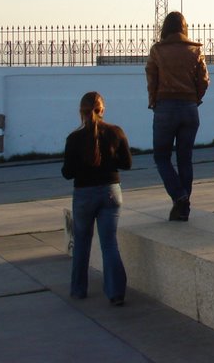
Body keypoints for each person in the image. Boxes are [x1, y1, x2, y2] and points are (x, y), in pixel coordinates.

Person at [61, 91, 132, 306]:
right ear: (102, 110)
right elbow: (127, 164)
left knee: (82, 242)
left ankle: (78, 289)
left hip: (84, 193)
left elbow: (67, 172)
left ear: (81, 112)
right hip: (111, 191)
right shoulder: (116, 132)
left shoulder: (74, 138)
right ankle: (116, 293)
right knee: (109, 243)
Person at [145, 10, 209, 222]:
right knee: (185, 159)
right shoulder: (195, 50)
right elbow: (204, 80)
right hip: (190, 108)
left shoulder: (157, 50)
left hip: (165, 107)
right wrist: (194, 98)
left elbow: (152, 79)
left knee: (161, 157)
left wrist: (153, 101)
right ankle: (183, 207)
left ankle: (179, 196)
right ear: (184, 28)